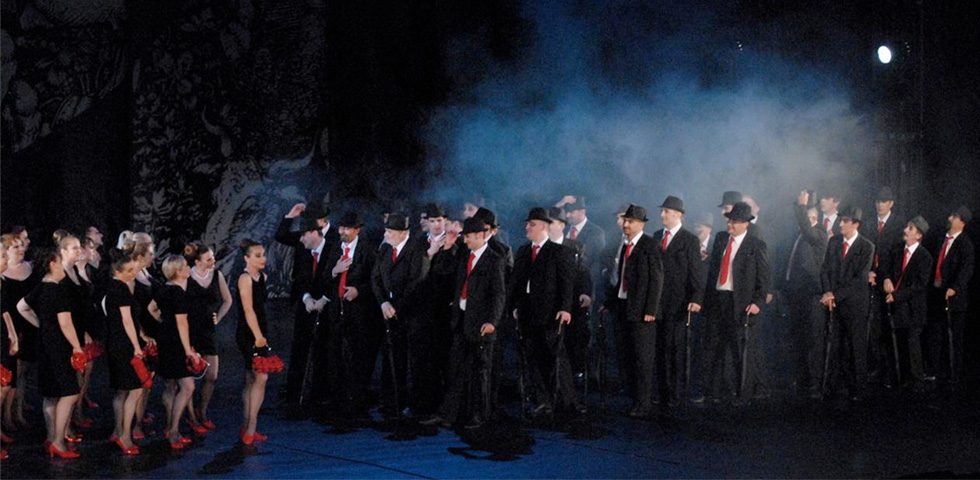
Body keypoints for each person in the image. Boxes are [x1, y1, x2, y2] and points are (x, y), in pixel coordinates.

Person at [423, 217, 507, 428]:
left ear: (480, 236)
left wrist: (492, 321)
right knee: (456, 369)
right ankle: (449, 414)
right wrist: (447, 248)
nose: (466, 240)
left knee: (480, 372)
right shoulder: (464, 256)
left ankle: (479, 415)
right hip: (461, 320)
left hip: (481, 324)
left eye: (468, 237)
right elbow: (442, 272)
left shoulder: (495, 259)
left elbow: (498, 294)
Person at [511, 207, 580, 416]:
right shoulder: (523, 251)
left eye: (532, 224)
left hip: (550, 313)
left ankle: (566, 401)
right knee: (533, 357)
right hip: (528, 311)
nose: (527, 228)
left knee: (555, 357)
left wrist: (565, 308)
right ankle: (543, 400)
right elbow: (517, 281)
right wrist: (515, 305)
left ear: (543, 227)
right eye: (527, 224)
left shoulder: (559, 252)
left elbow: (567, 283)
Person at [17, 249, 83, 459]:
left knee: (51, 393)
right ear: (53, 263)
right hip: (59, 346)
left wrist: (41, 324)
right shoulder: (58, 290)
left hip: (44, 343)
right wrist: (77, 346)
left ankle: (52, 436)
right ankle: (58, 441)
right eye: (61, 262)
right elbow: (65, 323)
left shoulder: (41, 286)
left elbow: (21, 307)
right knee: (69, 392)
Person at [704, 202, 770, 404]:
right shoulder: (721, 239)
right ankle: (713, 391)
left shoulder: (756, 245)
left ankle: (744, 393)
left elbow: (764, 278)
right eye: (729, 220)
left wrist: (758, 302)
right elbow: (713, 270)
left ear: (745, 224)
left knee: (741, 350)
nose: (730, 225)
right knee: (715, 346)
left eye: (734, 222)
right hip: (719, 299)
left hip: (740, 302)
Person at [371, 213, 430, 418]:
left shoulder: (417, 250)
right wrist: (383, 302)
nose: (386, 234)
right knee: (392, 359)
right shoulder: (385, 249)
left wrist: (396, 306)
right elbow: (375, 278)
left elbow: (417, 283)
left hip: (411, 316)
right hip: (389, 313)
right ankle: (392, 401)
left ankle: (414, 405)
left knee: (413, 361)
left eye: (390, 231)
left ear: (403, 233)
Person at [321, 211, 378, 417]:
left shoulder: (367, 250)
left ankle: (358, 396)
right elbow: (325, 278)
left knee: (358, 354)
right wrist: (334, 271)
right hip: (337, 310)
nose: (342, 232)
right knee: (335, 352)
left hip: (359, 312)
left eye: (347, 229)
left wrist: (358, 290)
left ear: (357, 230)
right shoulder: (335, 248)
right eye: (341, 228)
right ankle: (338, 395)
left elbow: (375, 280)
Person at [651, 196, 704, 407]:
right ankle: (661, 390)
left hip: (678, 302)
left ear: (678, 215)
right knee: (659, 347)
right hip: (657, 302)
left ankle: (675, 392)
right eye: (662, 211)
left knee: (675, 348)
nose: (662, 215)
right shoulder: (657, 236)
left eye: (666, 211)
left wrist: (696, 297)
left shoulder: (689, 240)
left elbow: (695, 272)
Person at [276, 210, 330, 410]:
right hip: (305, 301)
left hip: (326, 305)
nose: (300, 238)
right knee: (300, 346)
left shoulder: (333, 243)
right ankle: (295, 393)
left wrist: (323, 299)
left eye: (304, 234)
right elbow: (301, 276)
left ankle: (319, 393)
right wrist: (306, 298)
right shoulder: (305, 244)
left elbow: (333, 277)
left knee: (324, 349)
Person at [819, 206, 875, 401]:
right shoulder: (834, 242)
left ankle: (858, 388)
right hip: (834, 304)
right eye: (841, 220)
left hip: (854, 305)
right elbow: (825, 269)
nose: (840, 224)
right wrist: (828, 292)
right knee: (835, 345)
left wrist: (834, 294)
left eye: (845, 221)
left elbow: (859, 280)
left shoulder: (866, 246)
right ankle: (832, 386)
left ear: (855, 224)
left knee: (855, 347)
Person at [182, 242, 232, 430]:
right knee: (188, 376)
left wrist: (218, 317)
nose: (213, 261)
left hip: (208, 331)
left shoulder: (216, 275)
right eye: (209, 259)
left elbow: (227, 300)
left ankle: (202, 410)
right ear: (197, 261)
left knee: (212, 375)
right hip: (190, 330)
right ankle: (191, 416)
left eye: (213, 257)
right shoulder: (187, 276)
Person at [783, 191, 828, 398]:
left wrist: (801, 206)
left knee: (812, 339)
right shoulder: (798, 235)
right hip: (797, 294)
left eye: (807, 218)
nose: (802, 222)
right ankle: (801, 377)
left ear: (814, 219)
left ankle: (814, 381)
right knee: (798, 337)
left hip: (811, 294)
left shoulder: (819, 233)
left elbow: (809, 233)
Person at [151, 255, 197, 449]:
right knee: (187, 386)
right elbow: (182, 322)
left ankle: (171, 426)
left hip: (165, 339)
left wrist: (163, 323)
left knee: (170, 384)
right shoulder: (178, 292)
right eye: (185, 266)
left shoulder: (164, 289)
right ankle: (173, 430)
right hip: (176, 342)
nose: (189, 268)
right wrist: (188, 350)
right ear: (178, 271)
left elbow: (151, 308)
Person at [881, 217, 933, 390]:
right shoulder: (897, 251)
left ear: (918, 235)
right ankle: (900, 377)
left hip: (913, 309)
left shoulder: (924, 257)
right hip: (897, 309)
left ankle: (917, 380)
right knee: (898, 344)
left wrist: (897, 296)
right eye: (907, 227)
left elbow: (919, 285)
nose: (905, 230)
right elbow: (886, 268)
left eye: (910, 228)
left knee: (912, 345)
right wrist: (886, 279)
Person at [103, 250, 145, 455]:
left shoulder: (111, 287)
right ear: (118, 271)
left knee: (122, 390)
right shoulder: (120, 289)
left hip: (115, 342)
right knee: (134, 390)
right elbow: (127, 320)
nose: (132, 274)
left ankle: (118, 431)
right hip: (124, 345)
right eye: (129, 271)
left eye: (133, 270)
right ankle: (125, 435)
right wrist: (136, 346)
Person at [927, 206, 974, 388]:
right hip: (937, 293)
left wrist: (955, 287)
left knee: (954, 337)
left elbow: (966, 269)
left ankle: (954, 373)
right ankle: (934, 369)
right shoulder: (941, 238)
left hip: (954, 298)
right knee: (935, 333)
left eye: (954, 217)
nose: (949, 218)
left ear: (962, 222)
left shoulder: (965, 243)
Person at [863, 187, 904, 385]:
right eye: (878, 201)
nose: (880, 205)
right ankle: (877, 367)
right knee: (874, 326)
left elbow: (897, 254)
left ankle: (892, 370)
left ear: (891, 204)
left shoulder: (898, 224)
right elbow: (865, 250)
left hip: (889, 280)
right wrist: (868, 271)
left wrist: (886, 276)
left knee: (890, 326)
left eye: (884, 201)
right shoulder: (869, 223)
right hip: (871, 279)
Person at [236, 240, 274, 445]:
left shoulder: (262, 278)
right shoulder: (245, 279)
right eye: (257, 256)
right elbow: (248, 310)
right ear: (246, 258)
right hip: (249, 333)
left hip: (260, 330)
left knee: (252, 379)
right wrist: (258, 336)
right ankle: (250, 427)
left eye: (263, 255)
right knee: (261, 377)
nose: (263, 259)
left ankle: (248, 427)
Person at [1, 233, 36, 432]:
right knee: (10, 374)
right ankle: (6, 416)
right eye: (15, 247)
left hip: (26, 325)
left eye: (21, 246)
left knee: (24, 372)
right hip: (8, 329)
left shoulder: (30, 269)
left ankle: (18, 411)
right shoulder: (3, 275)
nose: (21, 249)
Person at [0, 243, 18, 459]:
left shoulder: (2, 281)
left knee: (4, 384)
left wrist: (13, 335)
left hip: (2, 337)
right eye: (3, 256)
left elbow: (5, 311)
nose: (6, 259)